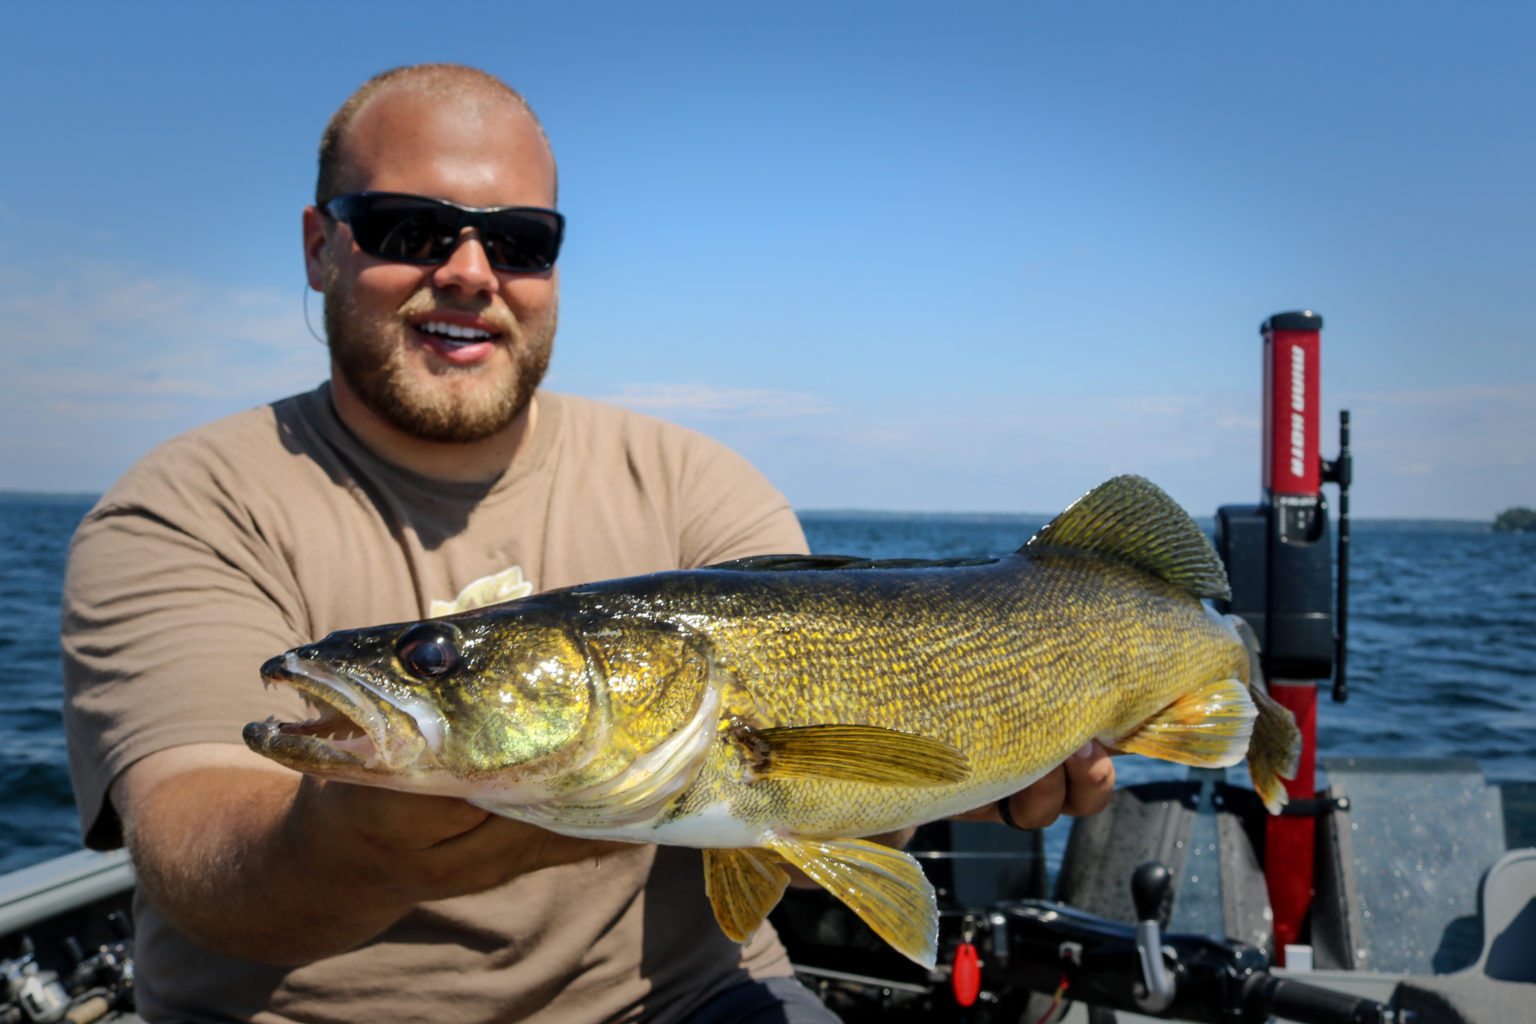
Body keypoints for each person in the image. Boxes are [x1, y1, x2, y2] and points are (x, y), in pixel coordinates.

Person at [60, 63, 1115, 1023]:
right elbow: (195, 843)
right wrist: (342, 849)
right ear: (319, 247)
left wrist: (952, 774)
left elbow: (822, 819)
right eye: (409, 229)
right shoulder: (184, 507)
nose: (471, 272)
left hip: (692, 1002)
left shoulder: (699, 485)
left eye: (520, 241)